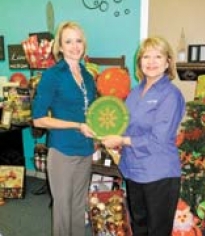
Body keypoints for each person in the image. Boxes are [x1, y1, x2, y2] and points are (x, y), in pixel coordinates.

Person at [101, 36, 186, 236]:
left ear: (168, 62)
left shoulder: (170, 95)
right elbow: (126, 124)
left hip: (159, 173)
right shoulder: (135, 92)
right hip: (133, 170)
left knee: (157, 230)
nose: (151, 62)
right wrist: (106, 129)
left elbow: (159, 139)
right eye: (146, 56)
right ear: (139, 61)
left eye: (158, 56)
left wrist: (121, 140)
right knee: (139, 225)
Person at [32, 21, 97, 236]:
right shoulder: (53, 75)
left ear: (84, 44)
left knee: (79, 207)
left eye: (78, 40)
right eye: (68, 41)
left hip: (85, 149)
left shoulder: (88, 76)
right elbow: (39, 119)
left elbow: (90, 113)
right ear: (59, 46)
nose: (74, 46)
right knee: (63, 209)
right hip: (62, 150)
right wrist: (78, 125)